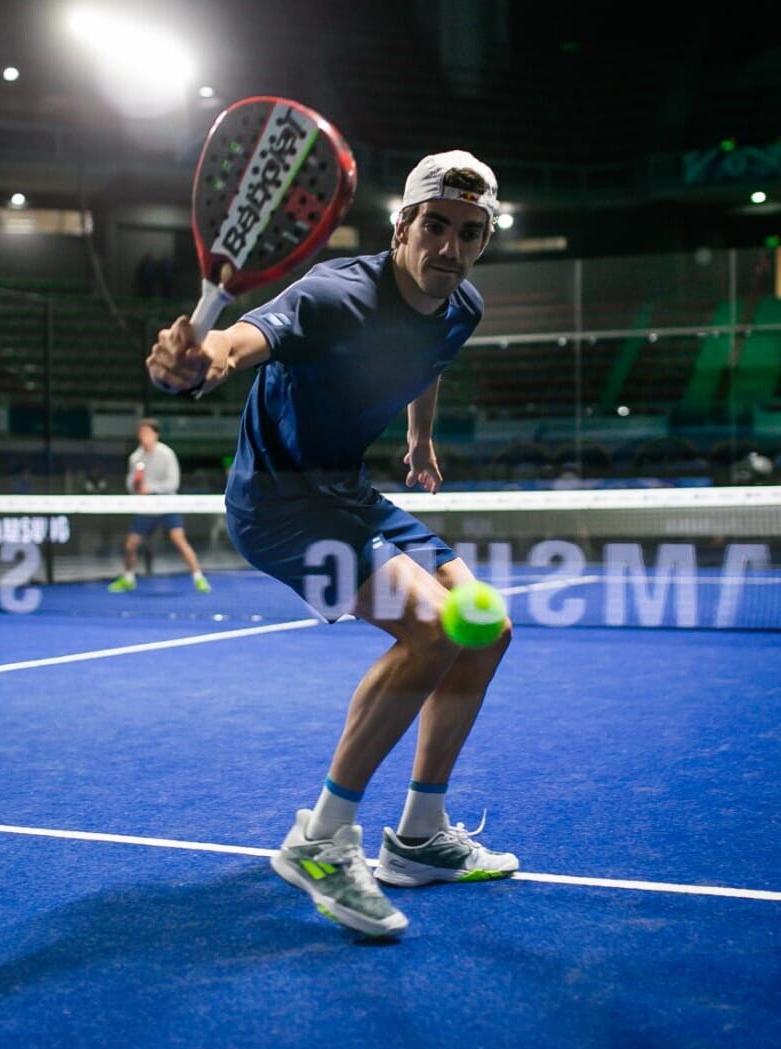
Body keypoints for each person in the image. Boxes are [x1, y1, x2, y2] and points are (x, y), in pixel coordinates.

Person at [144, 151, 517, 937]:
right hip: (281, 505)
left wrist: (419, 438)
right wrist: (195, 364)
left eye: (470, 234)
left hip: (348, 492)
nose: (450, 248)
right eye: (437, 227)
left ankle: (418, 839)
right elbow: (239, 344)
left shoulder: (463, 306)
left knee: (487, 629)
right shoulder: (334, 294)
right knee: (434, 627)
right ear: (403, 226)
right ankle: (320, 839)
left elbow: (428, 357)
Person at [108, 418, 210, 594]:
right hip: (146, 506)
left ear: (156, 434)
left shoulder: (167, 454)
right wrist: (136, 487)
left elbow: (173, 483)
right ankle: (128, 578)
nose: (144, 436)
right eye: (141, 433)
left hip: (166, 503)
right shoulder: (135, 457)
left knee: (179, 540)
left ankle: (199, 577)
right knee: (131, 544)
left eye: (147, 432)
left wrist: (151, 488)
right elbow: (131, 484)